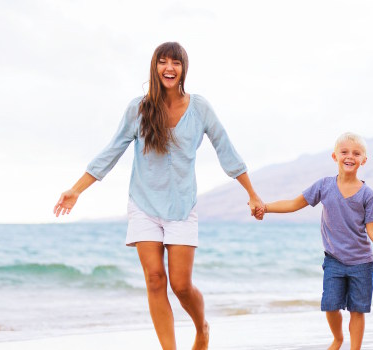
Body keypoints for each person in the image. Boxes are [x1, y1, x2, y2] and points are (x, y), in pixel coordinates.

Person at [53, 42, 264, 350]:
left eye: (175, 63)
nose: (169, 68)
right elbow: (111, 151)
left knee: (180, 285)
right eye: (163, 62)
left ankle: (201, 328)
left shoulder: (200, 108)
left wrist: (251, 193)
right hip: (143, 205)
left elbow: (226, 150)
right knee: (154, 279)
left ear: (183, 69)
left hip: (182, 205)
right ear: (154, 67)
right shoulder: (139, 108)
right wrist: (76, 189)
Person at [254, 132, 373, 350]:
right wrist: (266, 207)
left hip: (361, 262)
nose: (350, 156)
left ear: (364, 160)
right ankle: (338, 338)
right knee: (330, 305)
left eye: (356, 153)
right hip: (334, 260)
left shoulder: (368, 195)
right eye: (344, 152)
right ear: (335, 157)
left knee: (357, 309)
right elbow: (295, 204)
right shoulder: (324, 186)